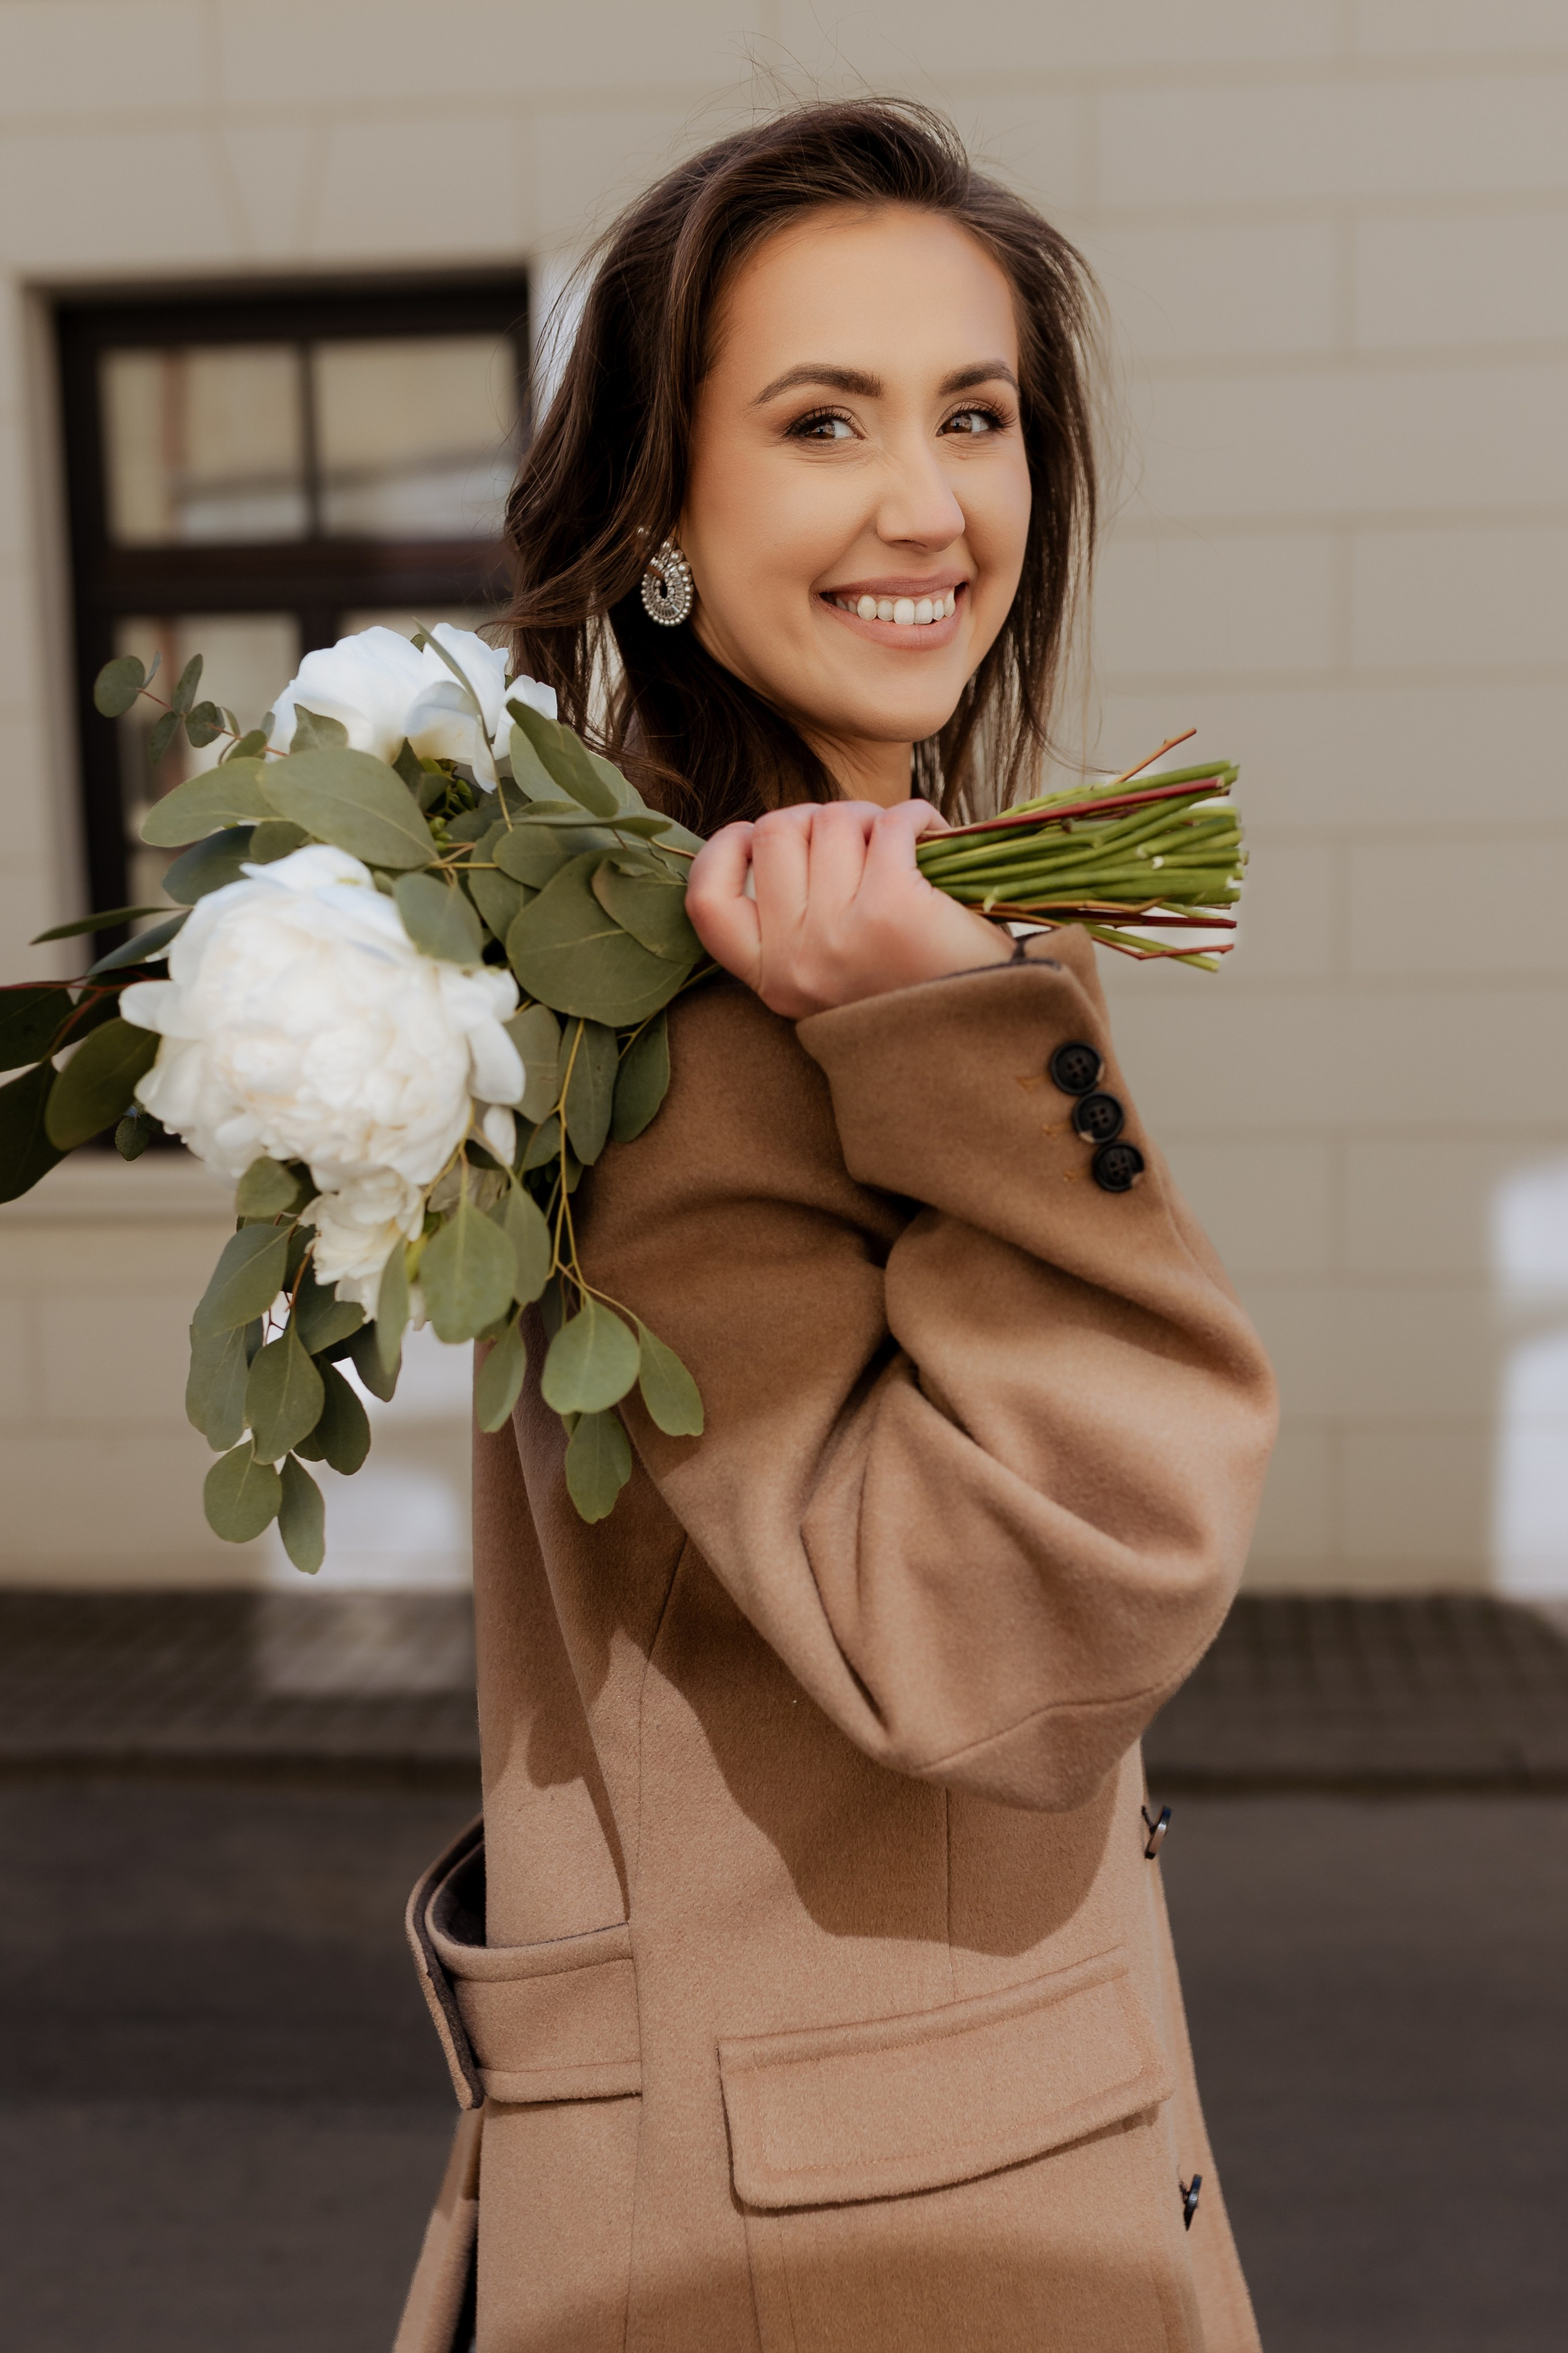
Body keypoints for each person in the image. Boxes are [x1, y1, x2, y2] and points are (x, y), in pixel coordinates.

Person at [395, 98, 1277, 2353]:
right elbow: (1019, 1634)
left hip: (921, 2180)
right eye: (821, 421)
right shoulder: (684, 1015)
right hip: (844, 2256)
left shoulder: (853, 948)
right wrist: (973, 1041)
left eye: (973, 414)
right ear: (667, 521)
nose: (928, 503)